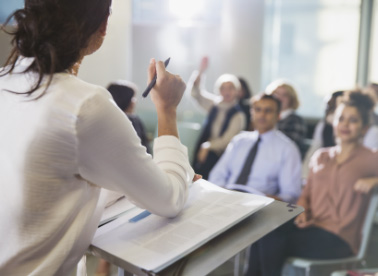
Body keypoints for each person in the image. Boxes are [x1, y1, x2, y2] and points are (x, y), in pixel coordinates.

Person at [0, 1, 197, 275]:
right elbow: (169, 200)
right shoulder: (83, 105)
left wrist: (148, 176)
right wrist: (167, 108)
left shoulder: (5, 81)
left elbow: (53, 182)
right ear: (103, 25)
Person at [247, 91, 378, 276]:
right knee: (262, 226)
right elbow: (305, 195)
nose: (345, 124)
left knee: (272, 238)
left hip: (339, 238)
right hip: (310, 227)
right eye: (341, 118)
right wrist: (303, 208)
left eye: (353, 120)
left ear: (364, 128)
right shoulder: (321, 156)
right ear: (333, 122)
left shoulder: (371, 158)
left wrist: (375, 180)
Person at [209, 93, 302, 204]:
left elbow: (290, 194)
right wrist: (222, 194)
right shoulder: (239, 141)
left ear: (278, 116)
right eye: (258, 109)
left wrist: (264, 201)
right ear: (252, 112)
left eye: (268, 111)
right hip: (226, 200)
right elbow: (217, 175)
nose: (262, 115)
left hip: (258, 206)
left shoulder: (288, 149)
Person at [189, 57, 246, 179]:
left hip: (222, 154)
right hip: (206, 149)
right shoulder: (214, 105)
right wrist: (201, 70)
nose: (227, 91)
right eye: (223, 88)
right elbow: (196, 94)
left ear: (236, 91)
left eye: (230, 88)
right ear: (219, 90)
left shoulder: (239, 115)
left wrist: (208, 146)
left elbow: (227, 140)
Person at [266, 79, 307, 158]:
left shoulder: (296, 120)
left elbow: (290, 147)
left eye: (284, 95)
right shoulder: (266, 117)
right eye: (276, 94)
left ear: (291, 99)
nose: (279, 98)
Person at [107, 80, 151, 153]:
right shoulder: (134, 121)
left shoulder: (104, 119)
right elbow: (145, 148)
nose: (135, 101)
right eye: (133, 98)